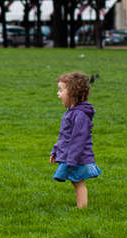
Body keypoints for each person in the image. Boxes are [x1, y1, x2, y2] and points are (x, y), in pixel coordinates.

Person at [50, 72, 101, 208]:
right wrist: (55, 151)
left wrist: (72, 160)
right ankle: (81, 207)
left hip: (77, 157)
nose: (58, 94)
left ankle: (82, 209)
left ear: (72, 94)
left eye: (61, 90)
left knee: (78, 183)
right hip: (71, 156)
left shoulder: (80, 115)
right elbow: (64, 136)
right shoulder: (71, 112)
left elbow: (79, 139)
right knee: (76, 182)